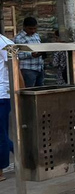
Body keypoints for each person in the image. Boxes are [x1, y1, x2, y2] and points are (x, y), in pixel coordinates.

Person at [14, 17, 44, 88]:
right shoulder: (19, 38)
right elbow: (17, 54)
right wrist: (31, 54)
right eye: (30, 29)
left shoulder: (36, 36)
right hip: (27, 69)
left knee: (40, 90)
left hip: (39, 68)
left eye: (34, 28)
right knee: (29, 90)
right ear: (24, 27)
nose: (33, 31)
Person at [0, 32, 13, 182]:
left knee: (1, 134)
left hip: (2, 94)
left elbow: (15, 65)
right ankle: (22, 154)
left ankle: (1, 169)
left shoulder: (5, 43)